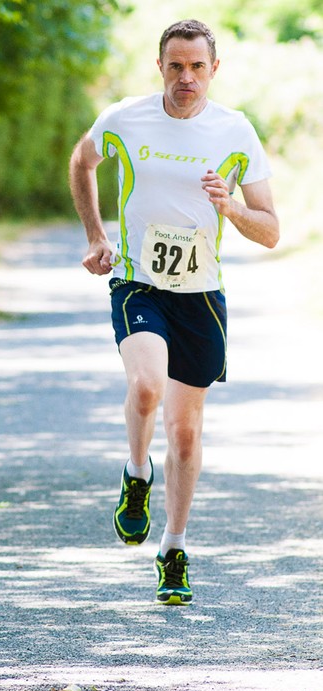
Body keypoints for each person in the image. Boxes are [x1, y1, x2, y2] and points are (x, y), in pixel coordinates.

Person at [69, 19, 279, 605]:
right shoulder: (125, 118)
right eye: (176, 65)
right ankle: (137, 475)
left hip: (202, 297)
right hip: (138, 282)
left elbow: (270, 230)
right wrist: (94, 235)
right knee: (145, 387)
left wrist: (231, 206)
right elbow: (82, 161)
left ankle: (174, 548)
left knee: (185, 435)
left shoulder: (236, 131)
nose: (186, 78)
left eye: (197, 66)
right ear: (159, 66)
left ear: (215, 69)